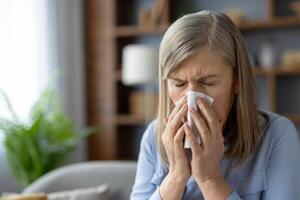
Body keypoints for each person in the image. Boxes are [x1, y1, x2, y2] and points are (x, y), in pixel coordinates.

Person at [130, 10, 300, 200]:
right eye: (179, 84)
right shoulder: (154, 137)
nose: (191, 99)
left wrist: (210, 179)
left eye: (208, 83)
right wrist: (177, 176)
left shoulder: (277, 134)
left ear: (236, 81)